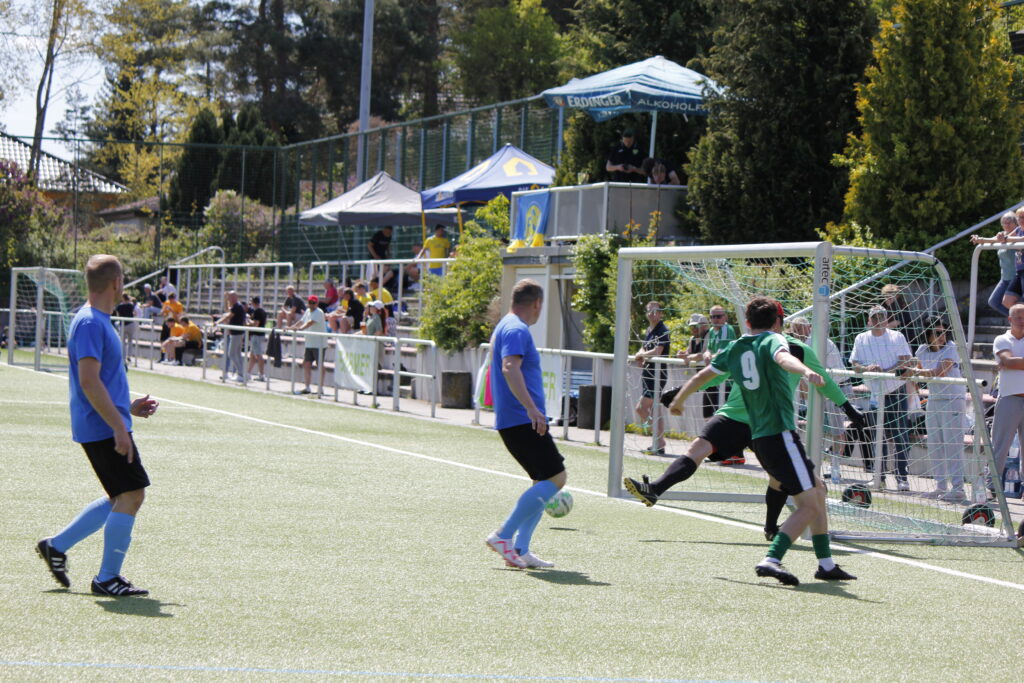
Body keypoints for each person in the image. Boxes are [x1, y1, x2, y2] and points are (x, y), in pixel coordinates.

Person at [654, 297, 855, 585]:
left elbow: (703, 376)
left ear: (746, 322)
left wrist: (679, 399)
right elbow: (783, 358)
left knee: (817, 490)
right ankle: (772, 559)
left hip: (760, 436)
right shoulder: (774, 340)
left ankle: (825, 564)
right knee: (809, 505)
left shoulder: (735, 347)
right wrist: (805, 371)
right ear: (777, 322)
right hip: (780, 434)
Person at [625, 313, 865, 544]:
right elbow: (719, 375)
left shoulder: (788, 348)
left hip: (765, 422)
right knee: (698, 449)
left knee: (778, 478)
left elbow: (824, 380)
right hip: (739, 415)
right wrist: (681, 392)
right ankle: (654, 489)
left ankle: (771, 528)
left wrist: (848, 408)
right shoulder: (749, 344)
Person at [36, 254, 159, 597]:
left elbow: (100, 380)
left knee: (121, 495)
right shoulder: (91, 322)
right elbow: (89, 381)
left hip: (105, 423)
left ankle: (57, 546)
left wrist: (127, 408)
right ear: (117, 283)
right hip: (103, 427)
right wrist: (118, 426)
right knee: (132, 494)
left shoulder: (96, 320)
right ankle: (107, 578)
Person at [485, 279, 566, 569]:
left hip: (516, 419)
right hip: (521, 419)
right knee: (556, 479)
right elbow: (510, 367)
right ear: (537, 303)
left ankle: (520, 549)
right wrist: (531, 408)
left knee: (542, 481)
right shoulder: (516, 328)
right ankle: (503, 535)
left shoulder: (506, 326)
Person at [849, 306, 914, 490]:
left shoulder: (897, 336)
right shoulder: (861, 338)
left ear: (887, 319)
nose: (878, 321)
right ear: (869, 321)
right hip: (875, 393)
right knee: (878, 435)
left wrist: (885, 372)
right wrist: (868, 369)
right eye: (875, 317)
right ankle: (879, 476)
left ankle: (902, 478)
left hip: (896, 390)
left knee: (900, 434)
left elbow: (905, 360)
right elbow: (854, 364)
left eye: (882, 317)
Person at [910, 315, 968, 503]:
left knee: (953, 445)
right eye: (936, 333)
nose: (941, 336)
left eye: (943, 332)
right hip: (934, 399)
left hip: (953, 400)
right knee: (935, 444)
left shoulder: (951, 347)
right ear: (928, 334)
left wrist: (913, 372)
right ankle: (940, 486)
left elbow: (939, 372)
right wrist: (916, 389)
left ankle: (958, 489)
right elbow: (917, 374)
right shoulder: (921, 350)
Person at [989, 303, 1024, 500]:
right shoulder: (1001, 339)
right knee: (1000, 446)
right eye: (1018, 317)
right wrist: (1009, 362)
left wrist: (1013, 362)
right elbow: (1008, 361)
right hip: (1009, 398)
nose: (1022, 320)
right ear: (1010, 319)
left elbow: (1011, 362)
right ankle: (991, 486)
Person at [634, 301, 670, 456]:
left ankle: (659, 439)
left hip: (657, 375)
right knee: (656, 410)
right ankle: (658, 442)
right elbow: (644, 346)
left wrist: (642, 355)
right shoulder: (649, 329)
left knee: (641, 408)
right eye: (650, 310)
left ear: (661, 313)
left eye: (656, 311)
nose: (652, 313)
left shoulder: (663, 330)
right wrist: (640, 353)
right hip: (648, 373)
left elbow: (658, 350)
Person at [970, 212, 1020, 317]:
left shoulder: (1019, 234)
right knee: (994, 301)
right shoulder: (1001, 235)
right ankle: (1016, 321)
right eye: (1004, 223)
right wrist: (979, 239)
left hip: (1016, 277)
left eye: (1009, 223)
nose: (1006, 225)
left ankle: (1018, 320)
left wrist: (1006, 238)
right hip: (1005, 277)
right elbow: (991, 240)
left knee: (1015, 303)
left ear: (1016, 223)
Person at [702, 305, 737, 419]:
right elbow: (709, 349)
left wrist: (709, 356)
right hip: (716, 377)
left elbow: (722, 354)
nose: (715, 319)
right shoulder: (712, 331)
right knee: (708, 413)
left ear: (725, 317)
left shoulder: (726, 330)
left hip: (728, 380)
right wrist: (707, 354)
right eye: (712, 317)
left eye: (718, 316)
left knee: (727, 416)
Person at [289, 295, 327, 395]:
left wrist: (300, 328)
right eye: (310, 302)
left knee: (320, 365)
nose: (311, 304)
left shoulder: (319, 312)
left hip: (319, 343)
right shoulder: (307, 311)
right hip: (309, 342)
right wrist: (292, 327)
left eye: (313, 302)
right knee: (306, 364)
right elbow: (302, 321)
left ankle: (320, 388)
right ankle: (307, 387)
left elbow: (310, 323)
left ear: (317, 303)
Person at [215, 290, 248, 383]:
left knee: (232, 354)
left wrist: (217, 322)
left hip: (237, 333)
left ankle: (241, 373)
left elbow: (228, 315)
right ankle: (241, 374)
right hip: (235, 333)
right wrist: (225, 300)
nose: (228, 299)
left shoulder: (237, 306)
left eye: (229, 297)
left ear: (234, 297)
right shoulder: (235, 306)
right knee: (237, 354)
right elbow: (227, 310)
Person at [247, 296, 269, 381]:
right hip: (259, 335)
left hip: (257, 335)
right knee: (252, 355)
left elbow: (256, 324)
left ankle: (262, 374)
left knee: (258, 355)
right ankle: (248, 373)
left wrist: (249, 321)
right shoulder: (262, 311)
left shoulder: (257, 311)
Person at [114, 293, 137, 360]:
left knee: (123, 342)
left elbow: (118, 315)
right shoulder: (131, 305)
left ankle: (123, 357)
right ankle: (129, 356)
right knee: (130, 341)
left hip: (123, 325)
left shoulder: (119, 306)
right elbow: (134, 313)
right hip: (131, 324)